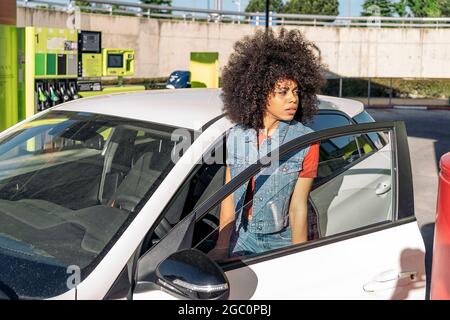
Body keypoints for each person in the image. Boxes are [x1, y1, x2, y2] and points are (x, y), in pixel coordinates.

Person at [208, 28, 325, 260]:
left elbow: (298, 207)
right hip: (240, 236)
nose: (293, 98)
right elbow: (229, 197)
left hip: (280, 241)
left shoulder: (306, 141)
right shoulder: (237, 136)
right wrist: (222, 247)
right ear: (259, 94)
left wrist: (299, 255)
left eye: (296, 91)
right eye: (283, 92)